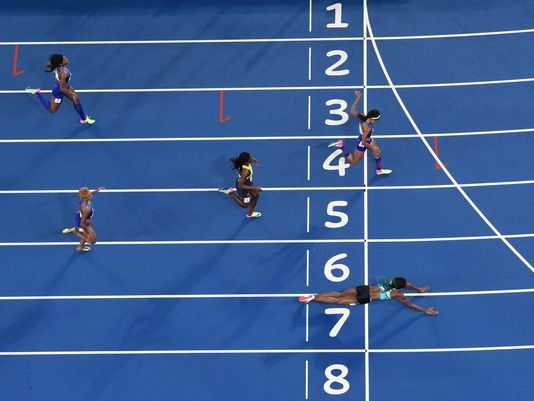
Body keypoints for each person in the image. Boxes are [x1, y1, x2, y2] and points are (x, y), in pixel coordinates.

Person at [299, 277, 438, 315]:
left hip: (362, 288)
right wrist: (424, 310)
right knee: (337, 302)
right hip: (364, 298)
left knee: (338, 294)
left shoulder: (390, 281)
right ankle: (314, 299)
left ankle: (313, 296)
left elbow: (405, 283)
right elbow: (410, 305)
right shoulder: (397, 294)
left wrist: (418, 289)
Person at [329, 90, 391, 175]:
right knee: (353, 162)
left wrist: (358, 98)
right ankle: (341, 146)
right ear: (373, 119)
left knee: (378, 152)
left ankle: (379, 170)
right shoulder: (367, 128)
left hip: (368, 139)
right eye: (377, 119)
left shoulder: (363, 117)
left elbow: (352, 111)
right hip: (362, 143)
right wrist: (372, 148)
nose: (378, 120)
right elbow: (363, 142)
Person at [26, 54, 95, 124]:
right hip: (58, 90)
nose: (66, 58)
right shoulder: (63, 74)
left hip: (65, 86)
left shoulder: (60, 66)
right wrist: (72, 94)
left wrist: (53, 63)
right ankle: (37, 93)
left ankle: (83, 119)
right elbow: (62, 89)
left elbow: (47, 65)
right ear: (61, 63)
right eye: (64, 58)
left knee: (76, 100)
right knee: (51, 110)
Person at [218, 152, 262, 218]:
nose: (251, 158)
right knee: (245, 205)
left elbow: (250, 159)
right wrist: (254, 188)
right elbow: (240, 185)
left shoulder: (245, 162)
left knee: (256, 196)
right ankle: (230, 192)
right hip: (243, 188)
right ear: (247, 160)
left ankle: (249, 214)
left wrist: (254, 160)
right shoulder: (245, 172)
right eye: (250, 158)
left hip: (248, 183)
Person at [61, 186, 105, 252]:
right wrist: (87, 227)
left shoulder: (83, 198)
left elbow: (90, 194)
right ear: (86, 197)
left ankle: (80, 247)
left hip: (85, 218)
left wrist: (97, 190)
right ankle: (74, 231)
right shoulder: (85, 209)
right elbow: (82, 223)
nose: (91, 195)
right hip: (83, 222)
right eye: (90, 195)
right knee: (92, 241)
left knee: (86, 234)